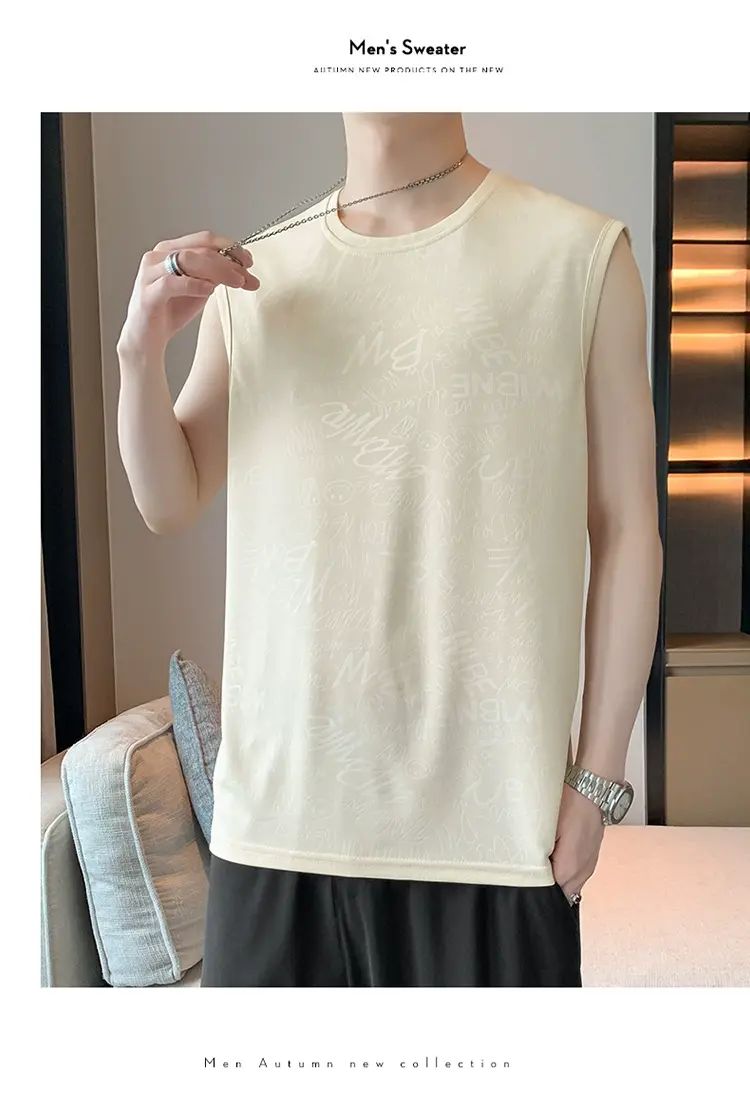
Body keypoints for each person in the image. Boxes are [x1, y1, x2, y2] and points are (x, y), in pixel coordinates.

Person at [117, 112, 662, 987]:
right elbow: (168, 499)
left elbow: (628, 528)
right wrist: (139, 353)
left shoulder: (578, 256)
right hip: (279, 826)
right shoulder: (261, 274)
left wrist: (597, 782)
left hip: (490, 826)